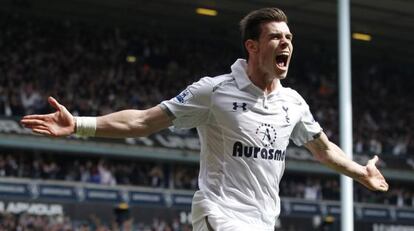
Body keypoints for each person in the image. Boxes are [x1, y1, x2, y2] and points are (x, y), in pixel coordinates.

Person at [21, 7, 389, 231]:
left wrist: (361, 173)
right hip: (219, 213)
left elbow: (322, 150)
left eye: (289, 37)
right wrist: (80, 125)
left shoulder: (293, 103)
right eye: (276, 37)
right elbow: (144, 122)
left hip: (262, 221)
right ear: (253, 46)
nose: (286, 43)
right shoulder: (214, 92)